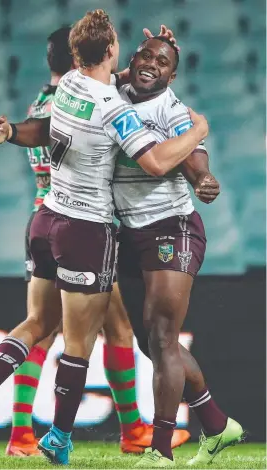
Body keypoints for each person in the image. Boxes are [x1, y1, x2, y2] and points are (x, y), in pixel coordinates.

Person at [0, 10, 207, 465]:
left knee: (39, 324)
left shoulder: (67, 86)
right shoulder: (115, 107)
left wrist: (12, 130)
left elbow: (52, 123)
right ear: (111, 53)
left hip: (44, 217)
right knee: (81, 341)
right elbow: (154, 163)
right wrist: (197, 130)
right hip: (86, 229)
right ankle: (62, 437)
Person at [112, 36, 244, 467]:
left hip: (173, 227)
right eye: (146, 56)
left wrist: (204, 179)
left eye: (163, 61)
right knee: (151, 343)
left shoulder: (171, 111)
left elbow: (195, 163)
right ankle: (219, 425)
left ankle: (161, 451)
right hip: (128, 234)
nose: (153, 64)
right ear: (131, 61)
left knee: (164, 337)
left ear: (173, 74)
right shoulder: (111, 93)